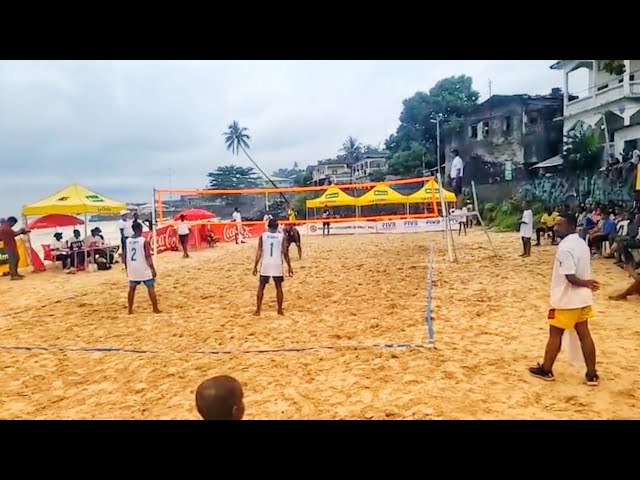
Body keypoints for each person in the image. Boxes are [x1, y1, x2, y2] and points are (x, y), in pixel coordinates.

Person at [529, 213, 600, 386]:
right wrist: (587, 285)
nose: (555, 227)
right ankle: (591, 374)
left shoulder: (564, 248)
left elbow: (569, 277)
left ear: (569, 226)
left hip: (566, 299)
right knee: (585, 335)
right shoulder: (581, 243)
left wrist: (586, 283)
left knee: (555, 335)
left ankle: (546, 369)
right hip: (582, 300)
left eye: (559, 224)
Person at [253, 218, 293, 316]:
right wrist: (289, 266)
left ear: (268, 226)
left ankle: (258, 310)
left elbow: (259, 251)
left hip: (266, 264)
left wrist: (255, 266)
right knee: (278, 287)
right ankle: (279, 310)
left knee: (261, 286)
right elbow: (285, 252)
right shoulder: (281, 237)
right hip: (277, 264)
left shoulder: (263, 236)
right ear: (277, 227)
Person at [126, 222, 160, 314]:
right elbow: (148, 256)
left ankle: (130, 309)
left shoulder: (128, 241)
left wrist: (126, 268)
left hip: (132, 268)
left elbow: (125, 255)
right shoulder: (144, 241)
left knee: (132, 289)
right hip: (143, 267)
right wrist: (153, 269)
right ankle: (155, 308)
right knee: (150, 287)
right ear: (141, 230)